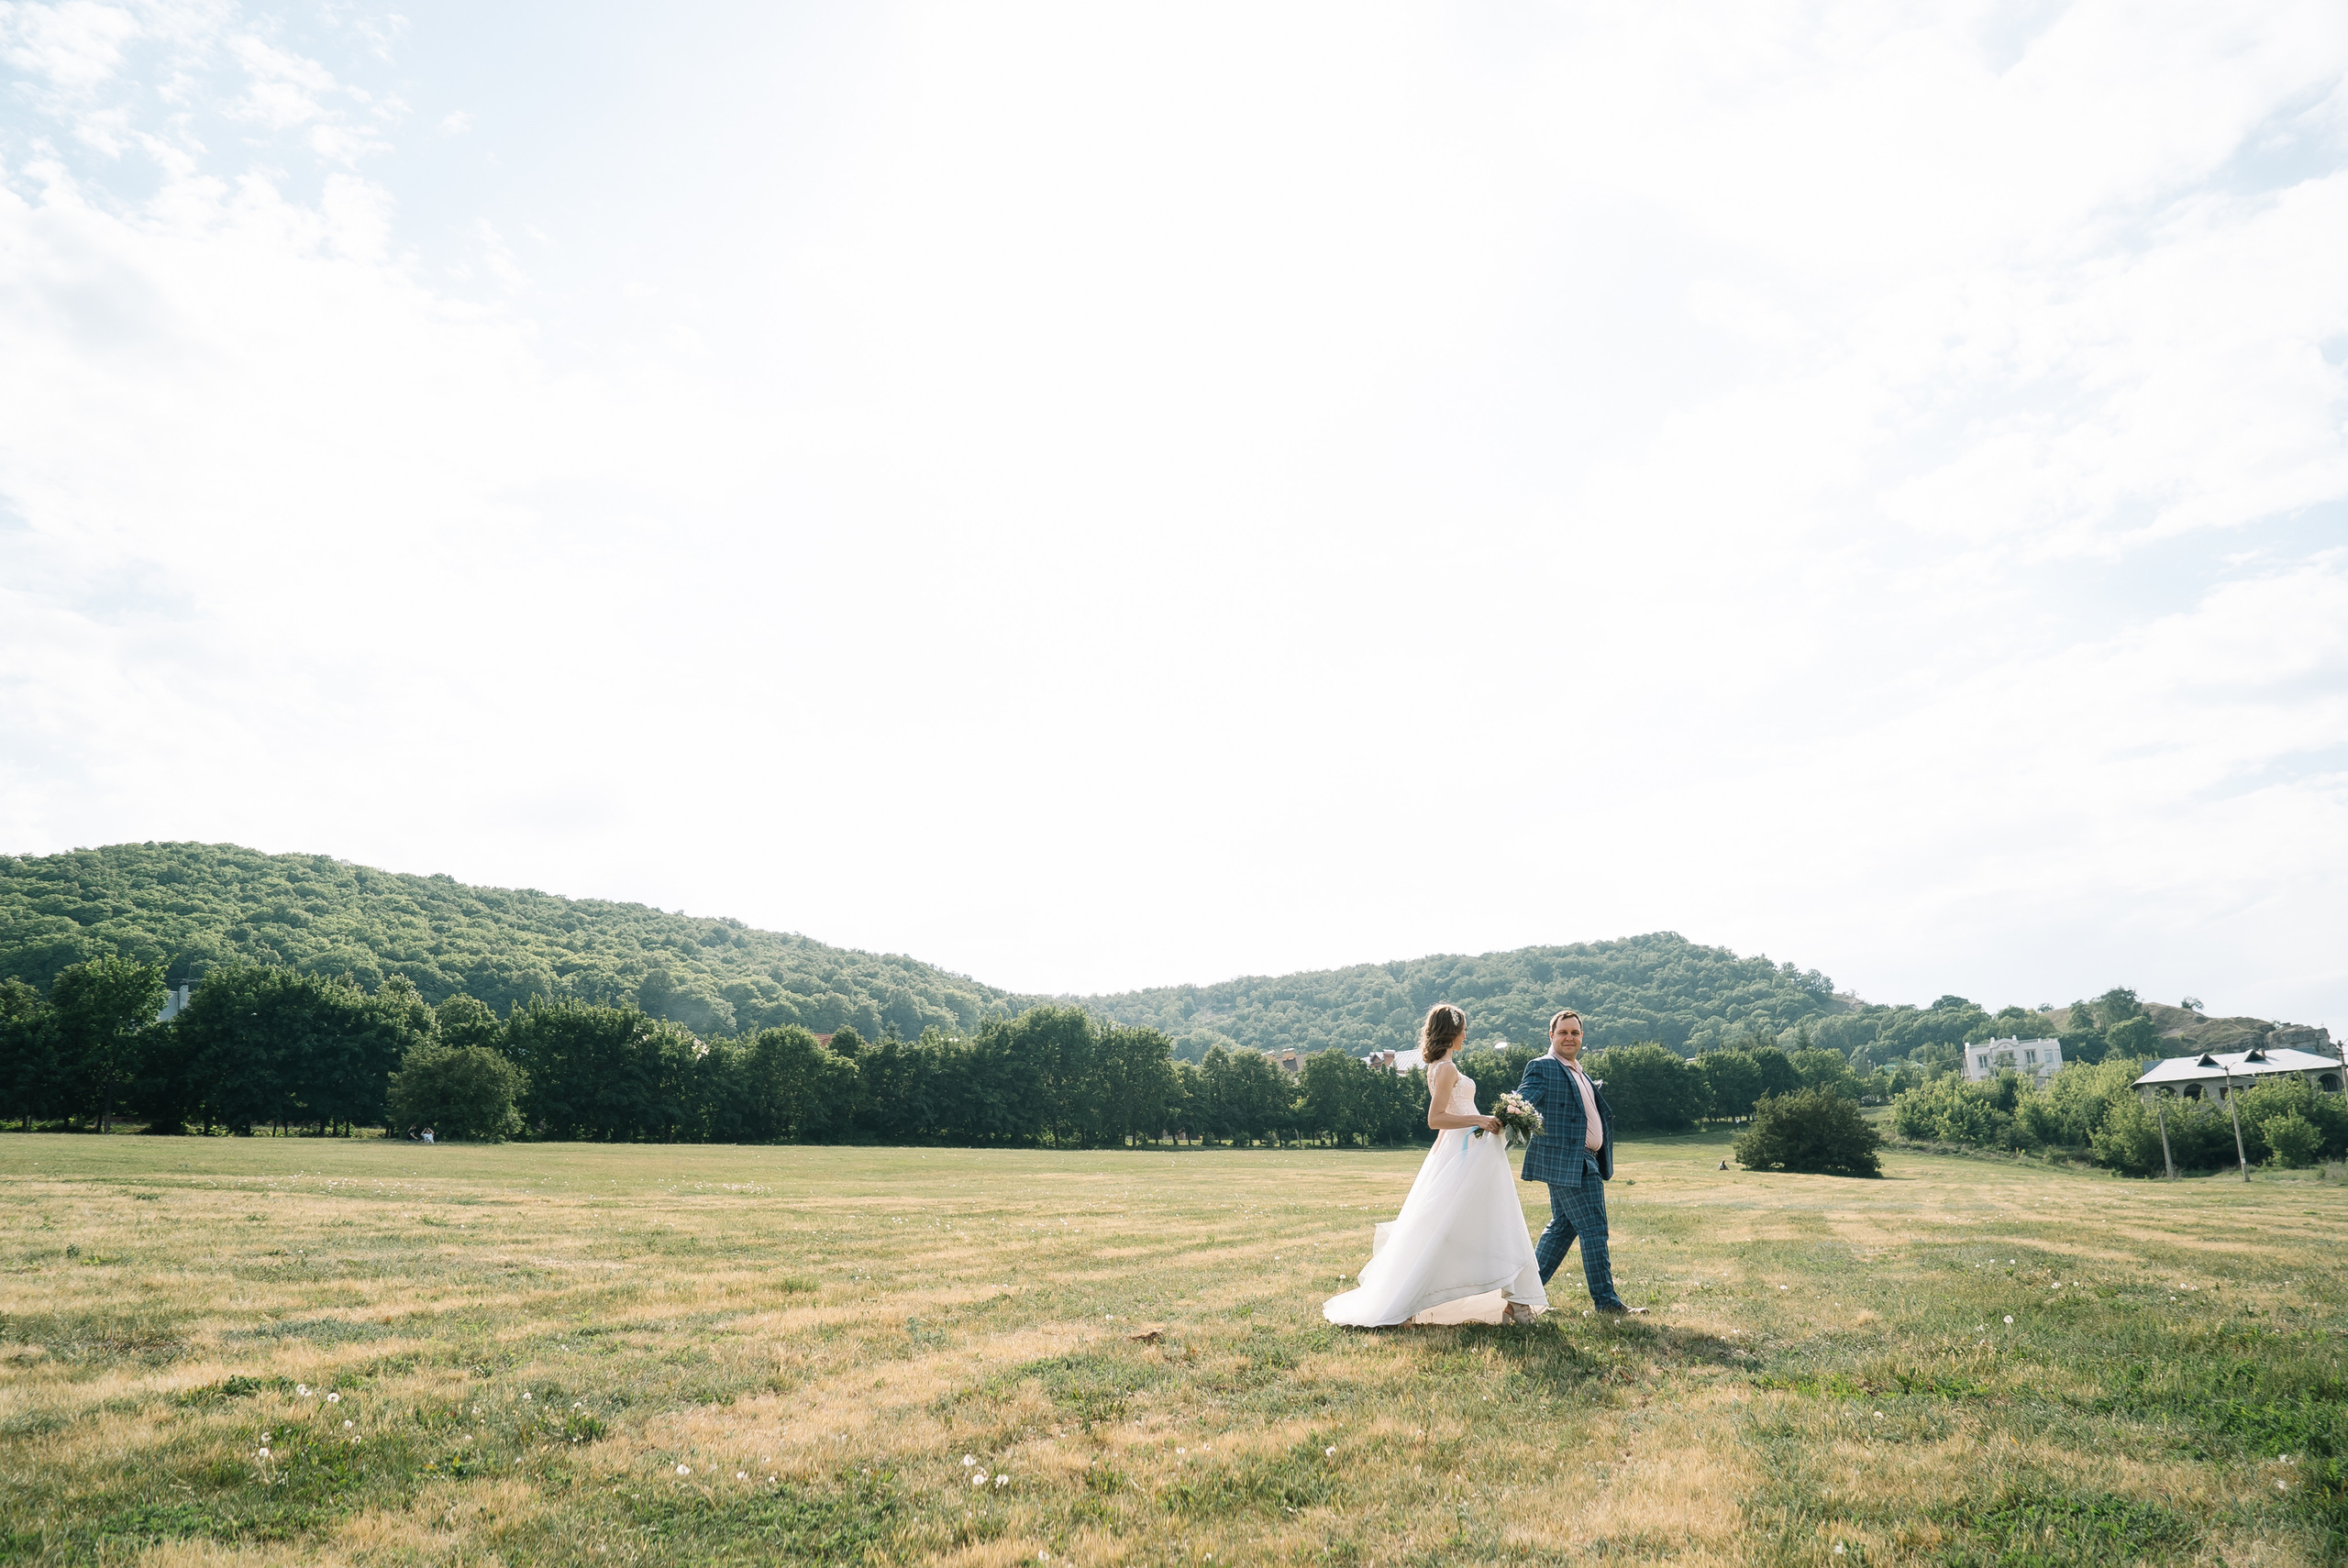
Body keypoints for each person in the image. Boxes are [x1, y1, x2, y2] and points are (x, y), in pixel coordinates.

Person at [1324, 1003, 1546, 1327]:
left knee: (1484, 1222)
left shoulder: (1444, 1068)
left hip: (1469, 1148)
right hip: (1465, 1149)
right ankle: (1507, 1301)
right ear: (1452, 1032)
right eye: (1463, 1030)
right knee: (1471, 1223)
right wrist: (1480, 1120)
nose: (1466, 1036)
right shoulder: (1446, 1070)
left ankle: (1515, 1300)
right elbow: (1436, 1119)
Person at [1515, 1010, 1639, 1313]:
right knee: (1595, 1229)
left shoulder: (1578, 1071)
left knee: (1562, 1228)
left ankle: (1519, 1299)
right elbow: (1521, 1103)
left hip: (1586, 1159)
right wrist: (1503, 1118)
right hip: (1569, 1161)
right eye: (1563, 1032)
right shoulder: (1543, 1067)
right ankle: (1607, 1303)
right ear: (1551, 1036)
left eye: (1575, 1033)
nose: (1569, 1037)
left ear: (1582, 1037)